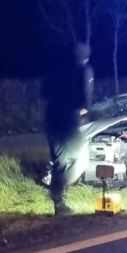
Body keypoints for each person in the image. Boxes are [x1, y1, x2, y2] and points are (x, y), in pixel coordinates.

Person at [43, 42, 94, 213]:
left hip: (51, 120)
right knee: (81, 157)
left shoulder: (57, 69)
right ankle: (58, 192)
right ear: (85, 57)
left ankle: (58, 204)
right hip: (67, 122)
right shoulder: (84, 71)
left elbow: (44, 93)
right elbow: (84, 101)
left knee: (60, 161)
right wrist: (88, 110)